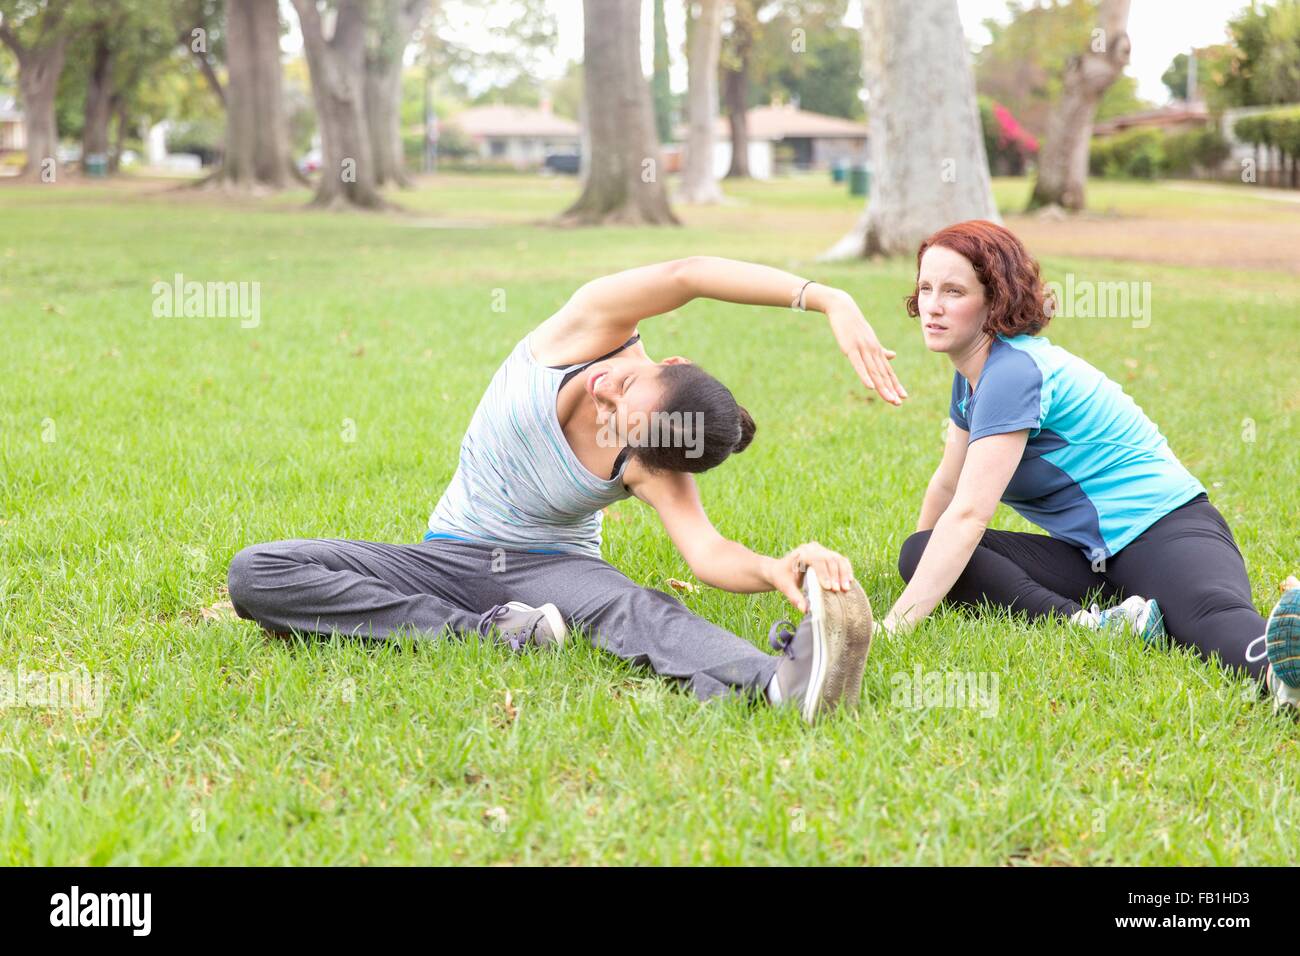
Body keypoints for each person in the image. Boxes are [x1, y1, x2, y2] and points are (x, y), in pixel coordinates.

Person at [227, 257, 898, 721]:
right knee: (259, 572)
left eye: (619, 422)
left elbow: (705, 552)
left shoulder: (650, 461)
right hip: (449, 556)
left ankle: (778, 683)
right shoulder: (589, 329)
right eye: (627, 386)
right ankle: (494, 634)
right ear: (672, 362)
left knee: (637, 610)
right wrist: (826, 298)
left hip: (556, 570)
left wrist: (774, 569)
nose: (607, 394)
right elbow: (688, 274)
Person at [882, 220, 1300, 710]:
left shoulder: (1014, 371)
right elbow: (949, 485)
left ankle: (1281, 673)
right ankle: (1102, 624)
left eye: (953, 291)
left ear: (995, 299)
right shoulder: (973, 379)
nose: (932, 305)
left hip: (1164, 530)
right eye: (926, 288)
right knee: (922, 552)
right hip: (1094, 560)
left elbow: (971, 513)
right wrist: (919, 573)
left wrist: (893, 627)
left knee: (1207, 619)